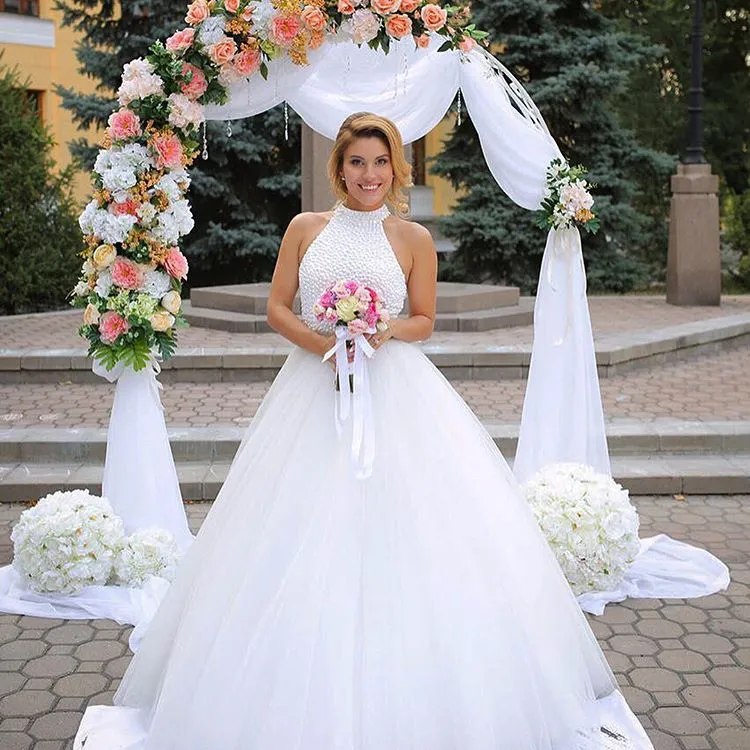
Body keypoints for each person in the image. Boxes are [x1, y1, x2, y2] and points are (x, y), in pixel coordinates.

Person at [74, 112, 646, 749]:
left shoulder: (412, 238)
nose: (368, 175)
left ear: (395, 169)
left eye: (379, 163)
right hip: (311, 388)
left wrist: (383, 330)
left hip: (394, 389)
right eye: (356, 163)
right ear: (339, 169)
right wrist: (323, 341)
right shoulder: (305, 228)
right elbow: (275, 307)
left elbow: (425, 318)